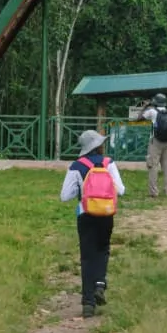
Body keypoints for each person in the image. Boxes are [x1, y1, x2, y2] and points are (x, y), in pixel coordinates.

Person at [59, 129, 126, 318]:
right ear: (99, 146)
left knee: (87, 257)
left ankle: (88, 303)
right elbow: (120, 190)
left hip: (85, 214)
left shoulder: (76, 166)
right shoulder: (108, 163)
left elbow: (65, 196)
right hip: (106, 214)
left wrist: (81, 191)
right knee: (103, 249)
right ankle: (100, 284)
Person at [138, 93, 167, 198]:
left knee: (153, 165)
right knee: (166, 165)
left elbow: (138, 118)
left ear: (155, 102)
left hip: (155, 141)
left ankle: (153, 191)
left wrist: (145, 106)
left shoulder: (152, 112)